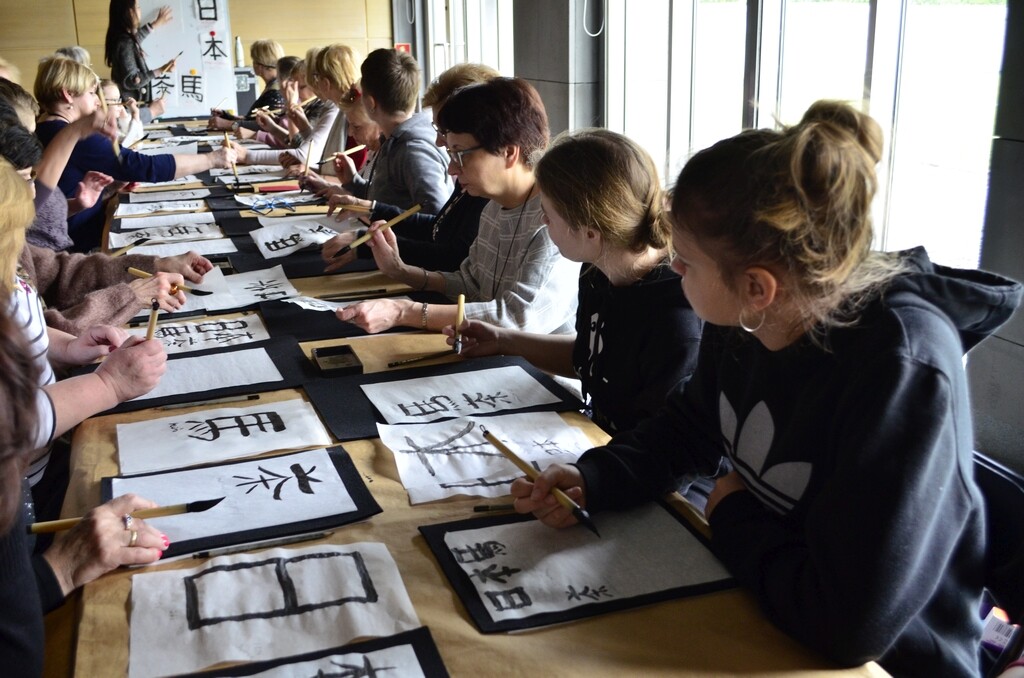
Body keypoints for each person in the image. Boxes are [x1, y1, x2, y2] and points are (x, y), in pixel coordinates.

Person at [511, 101, 1024, 677]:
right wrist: (596, 477)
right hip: (761, 596)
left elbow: (849, 626)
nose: (673, 269)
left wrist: (731, 512)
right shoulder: (749, 315)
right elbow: (689, 427)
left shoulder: (901, 368)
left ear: (758, 286)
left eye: (686, 261)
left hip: (884, 662)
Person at [0, 160, 167, 672]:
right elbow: (13, 422)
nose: (36, 182)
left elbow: (25, 315)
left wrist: (66, 346)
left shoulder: (9, 267)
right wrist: (106, 385)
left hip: (37, 474)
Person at [445, 128, 702, 434]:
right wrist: (503, 341)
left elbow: (664, 447)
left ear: (589, 232)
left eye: (548, 214)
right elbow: (590, 356)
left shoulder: (674, 321)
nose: (543, 222)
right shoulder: (597, 271)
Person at [336, 77, 579, 336]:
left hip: (529, 363)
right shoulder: (493, 208)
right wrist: (401, 270)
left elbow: (518, 318)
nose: (452, 168)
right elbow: (469, 284)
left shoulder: (554, 220)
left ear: (509, 152)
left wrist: (404, 312)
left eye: (460, 155)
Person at [0, 106, 202, 333]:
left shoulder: (8, 236)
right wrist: (132, 296)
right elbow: (40, 336)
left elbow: (59, 273)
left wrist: (155, 265)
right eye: (25, 180)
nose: (34, 193)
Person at [33, 56, 236, 252]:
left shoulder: (44, 126)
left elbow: (69, 191)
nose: (97, 101)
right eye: (92, 93)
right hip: (78, 240)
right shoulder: (74, 134)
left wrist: (110, 188)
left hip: (72, 229)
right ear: (68, 94)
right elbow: (145, 167)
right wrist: (212, 159)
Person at [321, 62, 497, 273]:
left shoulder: (417, 149)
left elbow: (453, 255)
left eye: (444, 130)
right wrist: (368, 208)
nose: (439, 141)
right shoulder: (466, 172)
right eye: (437, 128)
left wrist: (369, 243)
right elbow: (439, 227)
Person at [307, 48, 451, 216]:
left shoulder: (413, 150)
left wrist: (369, 210)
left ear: (370, 103)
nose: (351, 132)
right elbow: (389, 197)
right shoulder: (394, 140)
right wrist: (354, 183)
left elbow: (436, 217)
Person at [104, 0, 174, 121]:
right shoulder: (125, 42)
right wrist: (161, 70)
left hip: (130, 108)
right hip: (131, 110)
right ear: (130, 12)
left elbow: (136, 39)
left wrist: (155, 24)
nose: (140, 10)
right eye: (138, 7)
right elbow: (133, 80)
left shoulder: (123, 39)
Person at [208, 40, 285, 130]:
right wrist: (227, 116)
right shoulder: (273, 87)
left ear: (259, 65)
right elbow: (252, 119)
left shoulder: (275, 92)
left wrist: (228, 124)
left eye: (254, 61)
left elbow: (265, 125)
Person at [100, 78, 144, 147]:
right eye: (115, 100)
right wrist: (135, 115)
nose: (120, 104)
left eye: (119, 99)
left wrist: (124, 118)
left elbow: (137, 144)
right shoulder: (99, 130)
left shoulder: (109, 125)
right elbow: (127, 147)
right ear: (99, 103)